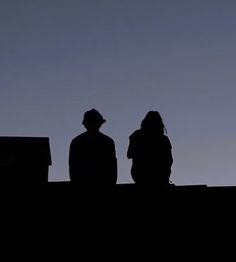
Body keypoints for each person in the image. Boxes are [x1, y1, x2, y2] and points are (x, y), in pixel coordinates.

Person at [69, 109, 117, 186]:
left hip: (102, 185)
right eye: (91, 122)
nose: (93, 125)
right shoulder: (108, 141)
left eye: (94, 122)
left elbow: (112, 167)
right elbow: (73, 167)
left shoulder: (76, 141)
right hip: (85, 185)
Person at [127, 111, 173, 187]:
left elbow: (129, 154)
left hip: (140, 175)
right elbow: (169, 160)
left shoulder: (136, 135)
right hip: (160, 177)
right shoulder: (164, 139)